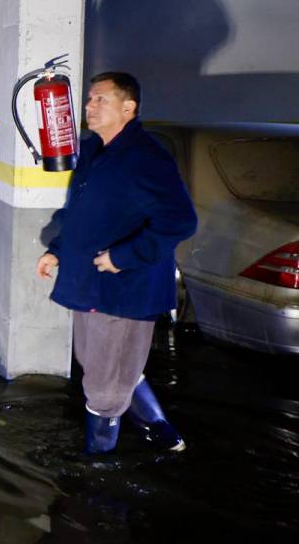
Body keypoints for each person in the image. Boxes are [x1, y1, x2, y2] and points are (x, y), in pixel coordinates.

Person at [35, 72, 197, 455]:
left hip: (125, 289)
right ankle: (161, 431)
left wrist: (124, 258)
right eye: (89, 100)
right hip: (89, 282)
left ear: (129, 107)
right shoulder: (93, 151)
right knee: (97, 364)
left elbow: (180, 221)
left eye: (100, 100)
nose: (89, 107)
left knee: (105, 384)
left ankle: (98, 469)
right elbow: (82, 213)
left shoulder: (147, 157)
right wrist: (57, 248)